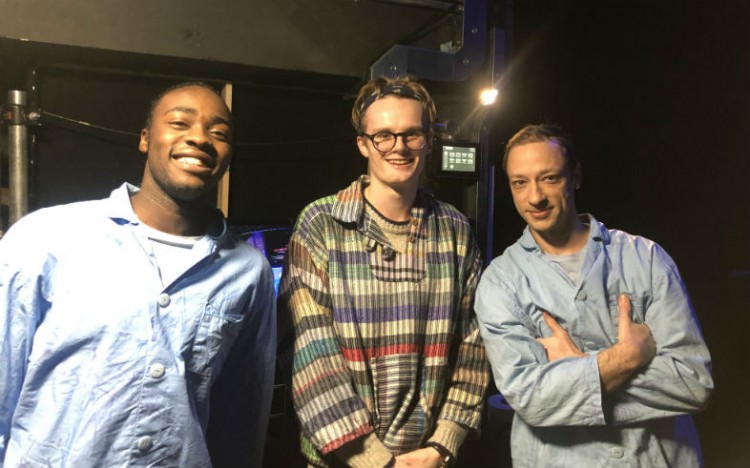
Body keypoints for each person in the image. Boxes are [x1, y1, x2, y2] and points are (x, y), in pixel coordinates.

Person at [0, 82, 276, 467]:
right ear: (146, 139)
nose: (199, 138)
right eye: (180, 122)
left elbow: (242, 416)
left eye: (220, 133)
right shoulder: (46, 237)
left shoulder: (248, 272)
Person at [279, 76, 490, 468]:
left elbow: (473, 345)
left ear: (429, 141)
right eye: (384, 136)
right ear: (363, 143)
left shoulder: (455, 230)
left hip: (426, 460)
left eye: (413, 134)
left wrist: (444, 443)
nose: (399, 146)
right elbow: (314, 353)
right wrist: (377, 461)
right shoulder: (321, 224)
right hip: (340, 461)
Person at [475, 123, 713, 467]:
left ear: (575, 176)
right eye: (520, 182)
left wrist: (575, 374)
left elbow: (692, 382)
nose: (535, 197)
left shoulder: (644, 257)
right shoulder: (501, 280)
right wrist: (628, 356)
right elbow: (529, 398)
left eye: (550, 178)